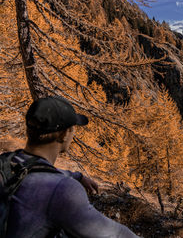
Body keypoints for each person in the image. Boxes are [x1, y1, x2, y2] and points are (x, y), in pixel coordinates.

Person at [6, 96, 140, 238]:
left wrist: (78, 176)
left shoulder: (7, 162)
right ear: (64, 134)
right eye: (73, 128)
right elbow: (113, 234)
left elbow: (35, 172)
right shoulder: (62, 190)